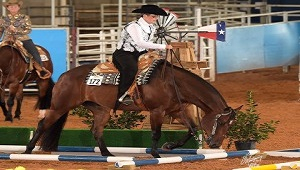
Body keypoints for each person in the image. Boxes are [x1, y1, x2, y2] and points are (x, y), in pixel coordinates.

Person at [112, 4, 173, 106]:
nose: (156, 19)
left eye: (157, 17)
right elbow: (140, 42)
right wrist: (163, 46)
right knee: (131, 69)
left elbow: (146, 44)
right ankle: (123, 95)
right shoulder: (134, 26)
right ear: (145, 15)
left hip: (140, 53)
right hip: (124, 53)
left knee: (156, 67)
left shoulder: (151, 28)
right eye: (154, 16)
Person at [0, 0, 48, 74]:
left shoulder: (24, 17)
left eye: (15, 6)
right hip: (7, 40)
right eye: (11, 7)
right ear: (8, 8)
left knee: (34, 51)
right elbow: (0, 31)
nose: (13, 8)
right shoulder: (3, 19)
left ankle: (40, 69)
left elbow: (28, 30)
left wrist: (16, 30)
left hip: (23, 39)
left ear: (19, 7)